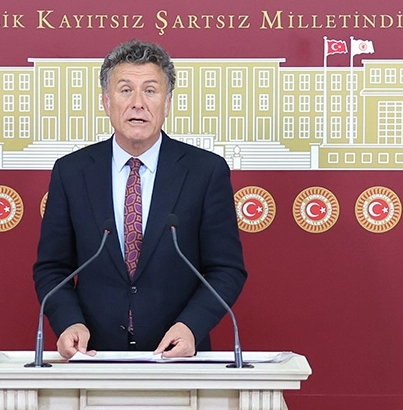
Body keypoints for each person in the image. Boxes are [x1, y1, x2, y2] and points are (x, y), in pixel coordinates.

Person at [33, 40, 246, 359]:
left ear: (167, 102)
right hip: (94, 356)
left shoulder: (205, 171)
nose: (138, 103)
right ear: (106, 102)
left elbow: (226, 269)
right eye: (125, 90)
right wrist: (69, 322)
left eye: (150, 90)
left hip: (177, 357)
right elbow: (53, 268)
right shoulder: (72, 172)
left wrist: (191, 326)